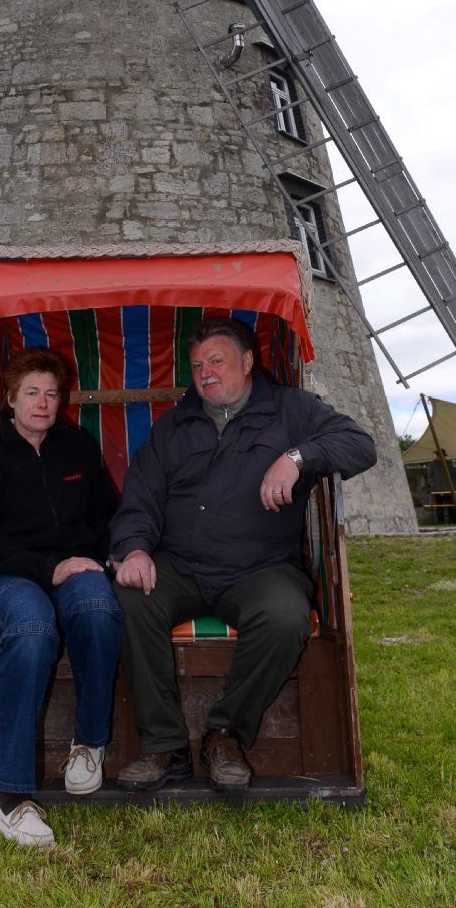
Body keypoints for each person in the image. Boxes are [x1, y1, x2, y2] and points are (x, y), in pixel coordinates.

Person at [109, 317, 377, 793]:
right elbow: (139, 500)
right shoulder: (174, 426)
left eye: (217, 361)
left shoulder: (292, 411)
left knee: (285, 615)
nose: (206, 373)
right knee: (130, 598)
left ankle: (226, 734)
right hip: (180, 566)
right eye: (197, 365)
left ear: (248, 361)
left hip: (261, 568)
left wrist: (296, 458)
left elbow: (360, 446)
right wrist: (132, 549)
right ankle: (164, 746)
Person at [0, 347, 123, 847]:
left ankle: (88, 744)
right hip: (3, 576)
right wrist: (48, 568)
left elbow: (104, 514)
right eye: (31, 393)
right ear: (11, 400)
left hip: (73, 566)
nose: (42, 403)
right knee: (32, 627)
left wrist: (101, 557)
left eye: (51, 394)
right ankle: (9, 798)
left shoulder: (76, 447)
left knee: (98, 608)